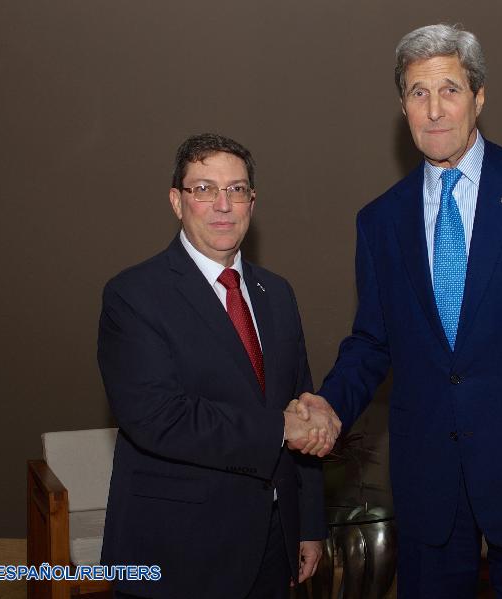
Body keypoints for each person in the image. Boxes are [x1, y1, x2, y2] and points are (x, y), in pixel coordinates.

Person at [297, 24, 502, 597]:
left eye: (450, 89)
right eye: (419, 93)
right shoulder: (380, 221)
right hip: (429, 480)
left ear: (479, 97)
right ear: (402, 107)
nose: (435, 109)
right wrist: (327, 403)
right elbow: (372, 341)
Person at [97, 133, 339, 598]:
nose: (222, 205)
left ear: (252, 201)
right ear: (176, 201)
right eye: (204, 189)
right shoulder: (134, 296)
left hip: (273, 542)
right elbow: (157, 418)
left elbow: (299, 403)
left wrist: (308, 523)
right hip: (177, 549)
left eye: (236, 189)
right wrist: (277, 430)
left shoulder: (278, 294)